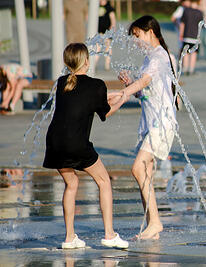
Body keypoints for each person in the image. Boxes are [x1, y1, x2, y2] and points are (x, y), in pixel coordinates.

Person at [43, 43, 128, 249]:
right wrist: (123, 98)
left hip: (55, 142)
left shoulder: (62, 82)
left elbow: (81, 99)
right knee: (104, 181)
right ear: (87, 61)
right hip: (76, 143)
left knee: (71, 185)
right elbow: (104, 112)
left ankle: (70, 237)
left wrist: (107, 96)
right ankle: (109, 235)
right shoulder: (97, 85)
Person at [118, 16, 178, 240]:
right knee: (146, 173)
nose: (135, 40)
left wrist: (125, 93)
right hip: (150, 122)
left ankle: (155, 222)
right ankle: (151, 225)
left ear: (150, 31)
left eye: (137, 35)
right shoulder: (149, 58)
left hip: (161, 123)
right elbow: (145, 92)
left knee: (137, 168)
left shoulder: (160, 55)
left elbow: (144, 82)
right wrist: (129, 86)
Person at [180, 0, 203, 75]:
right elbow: (201, 26)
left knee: (186, 53)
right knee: (194, 53)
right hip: (195, 37)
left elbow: (182, 23)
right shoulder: (199, 12)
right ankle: (191, 69)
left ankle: (185, 68)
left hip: (187, 35)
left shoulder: (186, 11)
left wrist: (181, 34)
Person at [95, 0, 116, 70]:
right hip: (99, 32)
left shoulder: (109, 8)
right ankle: (94, 63)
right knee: (97, 48)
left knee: (108, 48)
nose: (101, 1)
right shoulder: (96, 7)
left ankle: (107, 65)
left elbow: (113, 19)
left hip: (107, 32)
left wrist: (112, 28)